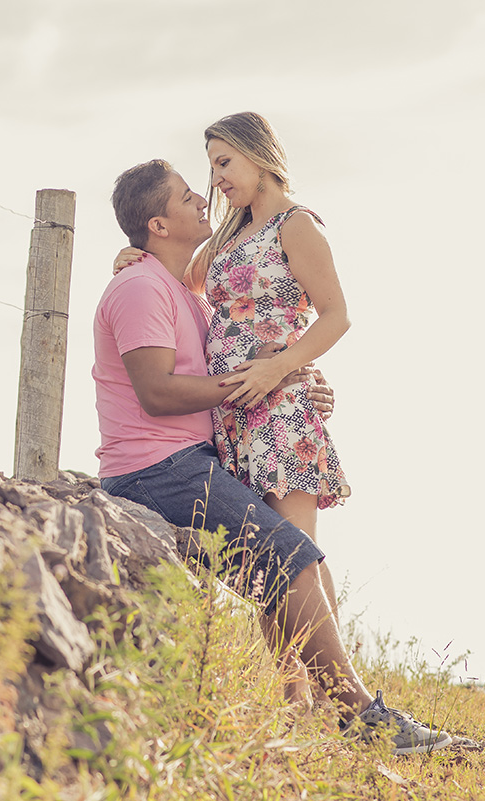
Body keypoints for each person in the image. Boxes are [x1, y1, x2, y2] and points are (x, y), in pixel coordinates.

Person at [93, 158, 452, 755]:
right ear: (157, 224)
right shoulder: (138, 287)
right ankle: (360, 714)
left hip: (192, 461)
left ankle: (321, 714)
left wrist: (289, 378)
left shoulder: (183, 290)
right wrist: (259, 382)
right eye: (188, 196)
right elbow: (156, 393)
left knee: (294, 559)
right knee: (289, 559)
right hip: (154, 472)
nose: (202, 197)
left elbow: (257, 336)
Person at [114, 112, 349, 631]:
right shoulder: (228, 235)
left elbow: (337, 315)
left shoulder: (297, 224)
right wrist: (132, 253)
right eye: (212, 167)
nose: (215, 180)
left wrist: (286, 368)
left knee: (297, 551)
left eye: (224, 163)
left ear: (259, 156)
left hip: (279, 405)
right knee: (272, 563)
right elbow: (180, 281)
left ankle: (329, 694)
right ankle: (297, 702)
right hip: (233, 411)